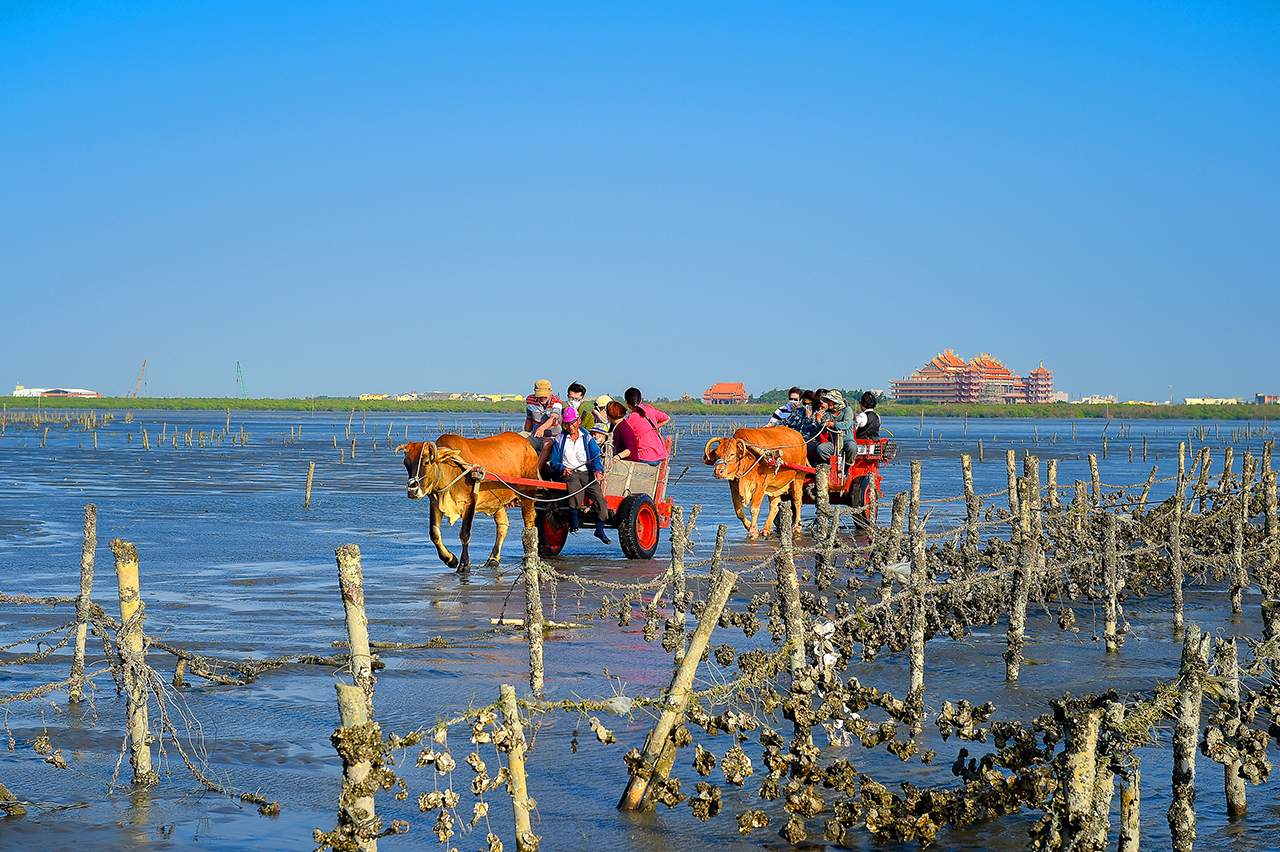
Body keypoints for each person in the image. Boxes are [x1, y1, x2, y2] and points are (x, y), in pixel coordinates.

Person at [544, 406, 612, 543]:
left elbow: (595, 456)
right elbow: (555, 461)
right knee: (574, 486)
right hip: (568, 473)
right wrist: (562, 468)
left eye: (573, 422)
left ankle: (600, 529)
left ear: (579, 421)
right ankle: (574, 520)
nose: (570, 426)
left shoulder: (587, 437)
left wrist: (598, 470)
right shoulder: (560, 439)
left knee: (599, 496)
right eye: (567, 424)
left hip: (586, 472)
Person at [612, 387, 669, 464]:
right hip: (660, 455)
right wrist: (652, 428)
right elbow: (667, 418)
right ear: (641, 399)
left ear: (626, 402)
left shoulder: (632, 417)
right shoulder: (650, 409)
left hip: (645, 457)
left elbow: (622, 433)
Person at [523, 380, 563, 450]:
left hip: (552, 436)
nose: (542, 398)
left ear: (550, 392)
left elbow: (554, 418)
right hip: (535, 435)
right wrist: (526, 433)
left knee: (546, 444)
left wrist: (542, 428)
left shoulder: (556, 402)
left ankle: (541, 461)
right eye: (540, 396)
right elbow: (529, 419)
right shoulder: (529, 400)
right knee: (516, 439)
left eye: (545, 396)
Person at [813, 390, 847, 463]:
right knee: (821, 449)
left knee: (851, 448)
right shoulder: (827, 413)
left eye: (829, 401)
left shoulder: (846, 411)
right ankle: (828, 465)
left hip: (846, 441)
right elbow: (823, 430)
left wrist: (833, 424)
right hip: (832, 443)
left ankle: (847, 466)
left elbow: (847, 424)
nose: (827, 403)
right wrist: (818, 420)